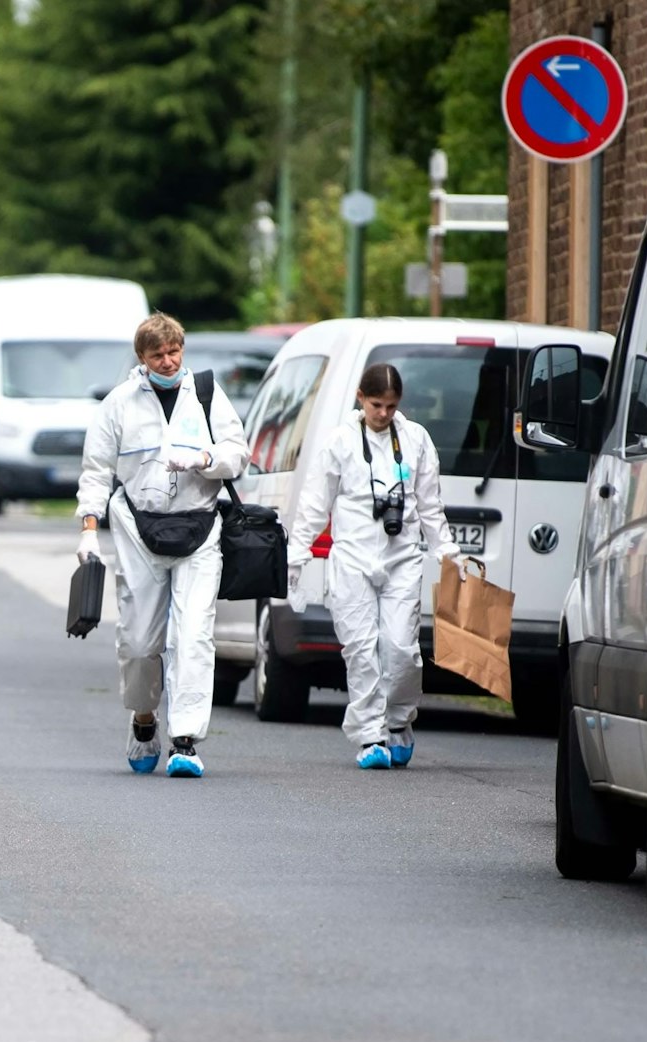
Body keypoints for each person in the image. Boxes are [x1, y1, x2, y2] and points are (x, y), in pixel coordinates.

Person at [76, 313, 248, 779]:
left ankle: (186, 741)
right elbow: (95, 471)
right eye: (158, 355)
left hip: (200, 529)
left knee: (193, 635)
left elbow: (238, 452)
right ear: (142, 358)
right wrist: (90, 528)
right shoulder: (118, 405)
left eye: (175, 352)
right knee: (139, 642)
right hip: (137, 530)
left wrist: (205, 458)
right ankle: (144, 718)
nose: (169, 362)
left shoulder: (207, 396)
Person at [286, 363, 459, 769]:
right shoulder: (340, 442)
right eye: (377, 404)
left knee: (400, 648)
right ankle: (371, 735)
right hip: (352, 558)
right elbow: (315, 502)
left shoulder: (416, 439)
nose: (383, 414)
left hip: (401, 557)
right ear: (361, 398)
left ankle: (398, 720)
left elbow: (430, 503)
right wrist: (298, 552)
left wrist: (446, 550)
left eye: (391, 406)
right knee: (361, 650)